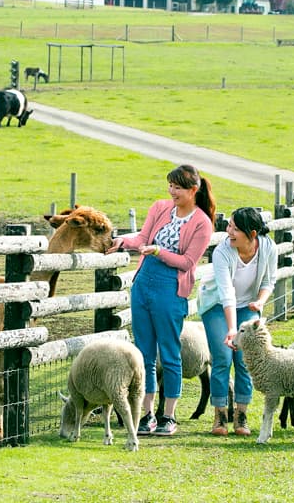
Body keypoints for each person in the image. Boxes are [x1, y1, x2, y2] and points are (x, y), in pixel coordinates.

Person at [106, 164, 215, 436]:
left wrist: (159, 252)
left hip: (171, 289)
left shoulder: (202, 223)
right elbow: (142, 237)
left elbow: (188, 262)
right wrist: (124, 242)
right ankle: (147, 414)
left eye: (177, 187)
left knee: (169, 353)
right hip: (143, 284)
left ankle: (169, 416)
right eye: (170, 185)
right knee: (144, 353)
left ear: (193, 190)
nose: (172, 191)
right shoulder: (159, 208)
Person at [198, 206, 277, 436]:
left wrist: (260, 302)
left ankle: (241, 416)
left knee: (245, 358)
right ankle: (220, 416)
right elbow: (226, 293)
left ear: (252, 234)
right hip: (216, 305)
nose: (228, 231)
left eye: (234, 228)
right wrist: (232, 329)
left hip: (249, 305)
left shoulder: (268, 248)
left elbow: (269, 281)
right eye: (229, 225)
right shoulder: (223, 251)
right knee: (222, 357)